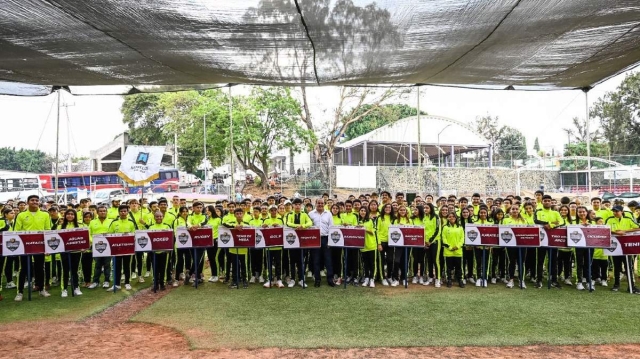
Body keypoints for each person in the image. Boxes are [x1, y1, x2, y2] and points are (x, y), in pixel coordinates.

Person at [13, 195, 52, 302]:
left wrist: (47, 247)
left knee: (40, 268)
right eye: (32, 200)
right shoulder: (21, 215)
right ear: (27, 202)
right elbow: (16, 231)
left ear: (39, 202)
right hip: (25, 246)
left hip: (40, 245)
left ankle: (41, 289)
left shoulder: (45, 214)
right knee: (24, 269)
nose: (34, 202)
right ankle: (20, 292)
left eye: (36, 200)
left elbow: (48, 230)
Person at [606, 205, 640, 293]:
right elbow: (605, 229)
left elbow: (638, 227)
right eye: (614, 211)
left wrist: (625, 231)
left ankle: (631, 286)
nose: (615, 213)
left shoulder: (628, 219)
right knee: (616, 267)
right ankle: (616, 285)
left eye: (617, 211)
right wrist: (615, 232)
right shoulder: (610, 219)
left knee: (629, 267)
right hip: (615, 247)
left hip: (627, 247)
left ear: (622, 212)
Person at [533, 195, 564, 289]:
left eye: (548, 201)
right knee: (540, 261)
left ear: (551, 202)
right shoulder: (538, 211)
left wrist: (551, 225)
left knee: (554, 261)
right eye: (545, 200)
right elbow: (536, 220)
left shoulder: (555, 212)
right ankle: (539, 280)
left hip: (553, 240)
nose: (547, 202)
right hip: (541, 240)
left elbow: (561, 222)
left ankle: (554, 280)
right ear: (542, 202)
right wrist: (548, 223)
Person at [107, 204, 136, 291]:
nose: (123, 213)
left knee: (127, 266)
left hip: (128, 248)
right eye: (121, 211)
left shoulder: (131, 222)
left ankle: (127, 282)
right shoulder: (114, 222)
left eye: (125, 211)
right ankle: (117, 284)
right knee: (117, 266)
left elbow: (134, 234)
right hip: (117, 249)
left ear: (127, 212)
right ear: (118, 212)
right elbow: (109, 234)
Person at [285, 198, 313, 288]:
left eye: (299, 204)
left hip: (302, 241)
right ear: (292, 206)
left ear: (301, 205)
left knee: (301, 261)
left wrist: (303, 226)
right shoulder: (289, 214)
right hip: (292, 241)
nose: (297, 206)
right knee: (292, 261)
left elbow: (310, 223)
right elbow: (288, 223)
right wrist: (298, 226)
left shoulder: (304, 214)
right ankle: (293, 279)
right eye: (295, 204)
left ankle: (301, 279)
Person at [308, 198, 335, 287]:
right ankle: (317, 279)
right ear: (315, 203)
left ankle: (330, 279)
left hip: (326, 238)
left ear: (324, 204)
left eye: (322, 203)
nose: (320, 204)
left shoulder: (328, 213)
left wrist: (330, 241)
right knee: (316, 260)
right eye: (318, 203)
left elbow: (331, 227)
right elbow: (308, 227)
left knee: (328, 260)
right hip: (314, 239)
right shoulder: (310, 214)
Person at [223, 208, 250, 289]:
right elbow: (223, 223)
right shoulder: (231, 223)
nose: (239, 215)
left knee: (243, 265)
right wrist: (235, 226)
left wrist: (242, 226)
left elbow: (250, 230)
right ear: (234, 215)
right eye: (237, 214)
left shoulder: (246, 223)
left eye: (240, 213)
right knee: (234, 265)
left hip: (243, 249)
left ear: (243, 214)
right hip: (233, 249)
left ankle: (245, 281)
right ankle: (235, 281)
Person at [59, 209, 84, 298]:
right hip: (64, 252)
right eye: (68, 214)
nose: (70, 216)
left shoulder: (80, 225)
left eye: (72, 214)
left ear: (75, 216)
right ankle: (64, 289)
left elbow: (85, 237)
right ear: (65, 215)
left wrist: (84, 246)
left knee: (75, 270)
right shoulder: (61, 226)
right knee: (65, 270)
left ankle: (76, 287)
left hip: (76, 251)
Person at [87, 206, 112, 289]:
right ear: (97, 213)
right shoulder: (92, 222)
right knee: (97, 264)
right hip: (96, 246)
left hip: (107, 246)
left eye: (104, 211)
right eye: (100, 211)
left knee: (107, 264)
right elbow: (89, 234)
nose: (102, 212)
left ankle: (106, 281)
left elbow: (113, 233)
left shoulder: (111, 221)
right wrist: (93, 241)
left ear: (106, 212)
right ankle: (95, 281)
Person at [148, 211, 172, 291]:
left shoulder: (167, 226)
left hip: (164, 251)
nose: (159, 218)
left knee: (163, 268)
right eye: (157, 216)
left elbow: (171, 238)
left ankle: (162, 283)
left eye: (160, 216)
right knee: (155, 268)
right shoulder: (151, 227)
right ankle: (155, 283)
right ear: (154, 217)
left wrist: (168, 249)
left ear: (163, 217)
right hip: (154, 252)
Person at [262, 205, 285, 288]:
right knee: (269, 264)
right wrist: (263, 227)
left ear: (277, 211)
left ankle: (279, 279)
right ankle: (270, 280)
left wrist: (279, 226)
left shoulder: (280, 220)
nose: (273, 212)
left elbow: (284, 230)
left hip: (278, 246)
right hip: (269, 246)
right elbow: (262, 232)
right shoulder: (266, 220)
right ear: (269, 211)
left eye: (275, 210)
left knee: (279, 263)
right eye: (272, 210)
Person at [441, 212, 464, 288]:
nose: (451, 218)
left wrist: (458, 246)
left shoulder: (460, 227)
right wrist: (450, 247)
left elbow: (462, 238)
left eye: (453, 216)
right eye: (450, 217)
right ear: (447, 218)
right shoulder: (445, 227)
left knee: (459, 267)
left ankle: (460, 280)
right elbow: (443, 239)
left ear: (456, 218)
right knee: (448, 268)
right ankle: (449, 280)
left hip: (458, 251)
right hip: (448, 252)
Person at [357, 206, 377, 288]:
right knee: (365, 264)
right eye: (361, 211)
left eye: (364, 211)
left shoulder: (371, 220)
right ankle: (367, 278)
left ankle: (372, 279)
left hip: (371, 245)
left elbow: (373, 232)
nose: (362, 212)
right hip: (362, 246)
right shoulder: (358, 221)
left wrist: (364, 228)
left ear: (367, 212)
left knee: (372, 263)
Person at [0, 208, 15, 301]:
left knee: (8, 266)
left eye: (13, 212)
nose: (13, 214)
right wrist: (4, 228)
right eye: (11, 213)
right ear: (5, 214)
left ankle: (9, 282)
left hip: (10, 248)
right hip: (1, 248)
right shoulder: (1, 221)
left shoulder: (13, 222)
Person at [205, 205, 222, 283]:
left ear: (211, 210)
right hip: (208, 241)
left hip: (216, 241)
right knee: (210, 258)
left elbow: (221, 230)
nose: (206, 211)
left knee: (215, 258)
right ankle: (213, 275)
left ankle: (216, 275)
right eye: (206, 210)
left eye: (207, 210)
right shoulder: (207, 219)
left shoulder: (218, 219)